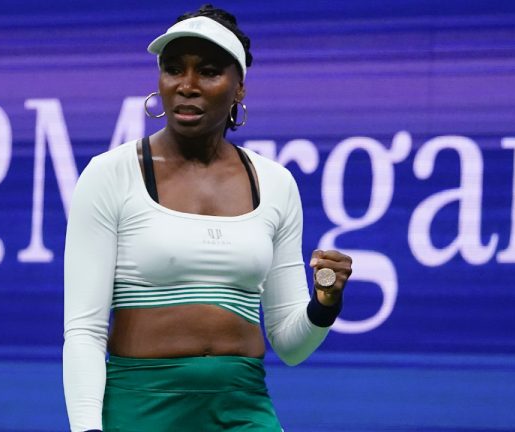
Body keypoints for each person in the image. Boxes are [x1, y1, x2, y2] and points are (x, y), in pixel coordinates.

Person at [63, 5, 353, 431]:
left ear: (239, 89)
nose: (187, 85)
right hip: (140, 407)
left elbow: (291, 345)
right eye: (173, 69)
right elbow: (85, 332)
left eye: (209, 72)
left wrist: (326, 304)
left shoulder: (275, 183)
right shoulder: (110, 175)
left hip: (244, 408)